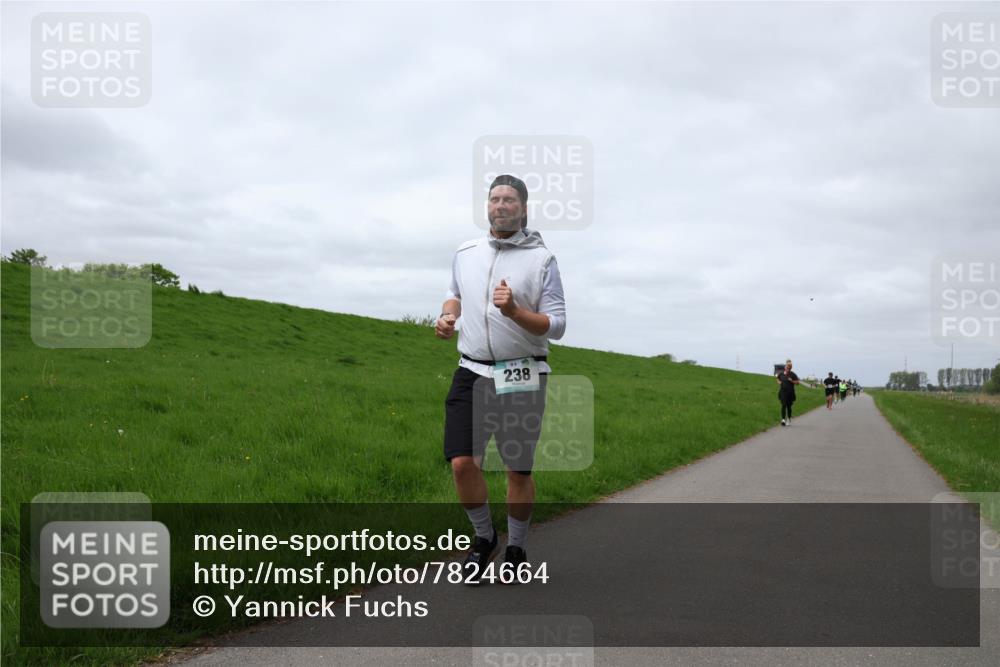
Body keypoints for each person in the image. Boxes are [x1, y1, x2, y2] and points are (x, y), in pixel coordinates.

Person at [435, 174, 567, 585]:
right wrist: (448, 315)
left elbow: (557, 325)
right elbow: (453, 291)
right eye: (495, 199)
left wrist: (514, 313)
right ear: (487, 206)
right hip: (471, 370)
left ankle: (516, 548)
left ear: (523, 209)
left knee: (517, 471)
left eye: (510, 200)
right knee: (461, 464)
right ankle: (484, 539)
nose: (501, 205)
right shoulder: (466, 251)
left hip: (521, 372)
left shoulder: (542, 259)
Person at [776, 359, 800, 426]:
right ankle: (783, 419)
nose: (787, 368)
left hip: (790, 393)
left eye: (789, 367)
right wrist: (779, 382)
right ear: (785, 367)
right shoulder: (781, 374)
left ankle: (789, 418)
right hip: (783, 392)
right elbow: (777, 378)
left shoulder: (793, 374)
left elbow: (798, 382)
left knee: (788, 407)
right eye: (787, 367)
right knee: (783, 405)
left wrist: (792, 381)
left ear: (790, 368)